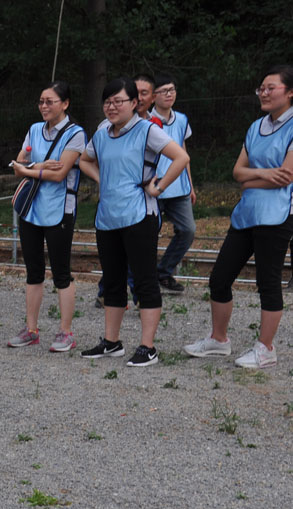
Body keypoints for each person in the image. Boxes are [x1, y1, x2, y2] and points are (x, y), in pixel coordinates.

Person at [184, 65, 293, 369]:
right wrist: (262, 175)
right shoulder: (256, 126)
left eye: (271, 87)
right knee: (219, 277)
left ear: (290, 92)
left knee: (268, 283)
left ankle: (266, 348)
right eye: (262, 87)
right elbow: (237, 173)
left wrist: (251, 178)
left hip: (278, 214)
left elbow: (287, 178)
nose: (264, 92)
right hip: (247, 213)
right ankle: (219, 340)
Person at [77, 77, 190, 367]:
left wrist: (159, 187)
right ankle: (111, 342)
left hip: (140, 215)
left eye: (118, 101)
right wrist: (105, 179)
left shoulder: (147, 130)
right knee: (113, 280)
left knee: (144, 280)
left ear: (134, 104)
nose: (112, 107)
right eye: (107, 101)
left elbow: (180, 157)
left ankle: (147, 347)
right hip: (107, 217)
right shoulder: (102, 133)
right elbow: (84, 160)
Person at [8, 80, 86, 352]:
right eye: (41, 101)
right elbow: (17, 164)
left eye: (50, 101)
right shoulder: (33, 130)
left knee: (61, 272)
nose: (44, 106)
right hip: (31, 209)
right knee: (33, 271)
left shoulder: (76, 134)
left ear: (65, 104)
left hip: (60, 210)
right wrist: (38, 166)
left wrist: (28, 168)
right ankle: (31, 329)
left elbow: (60, 173)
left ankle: (65, 332)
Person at [150, 73, 196, 293]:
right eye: (164, 91)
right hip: (154, 187)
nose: (169, 94)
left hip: (179, 187)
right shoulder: (146, 121)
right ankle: (143, 279)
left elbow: (182, 151)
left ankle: (164, 272)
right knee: (147, 234)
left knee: (188, 230)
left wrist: (191, 183)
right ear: (153, 95)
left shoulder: (182, 119)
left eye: (172, 90)